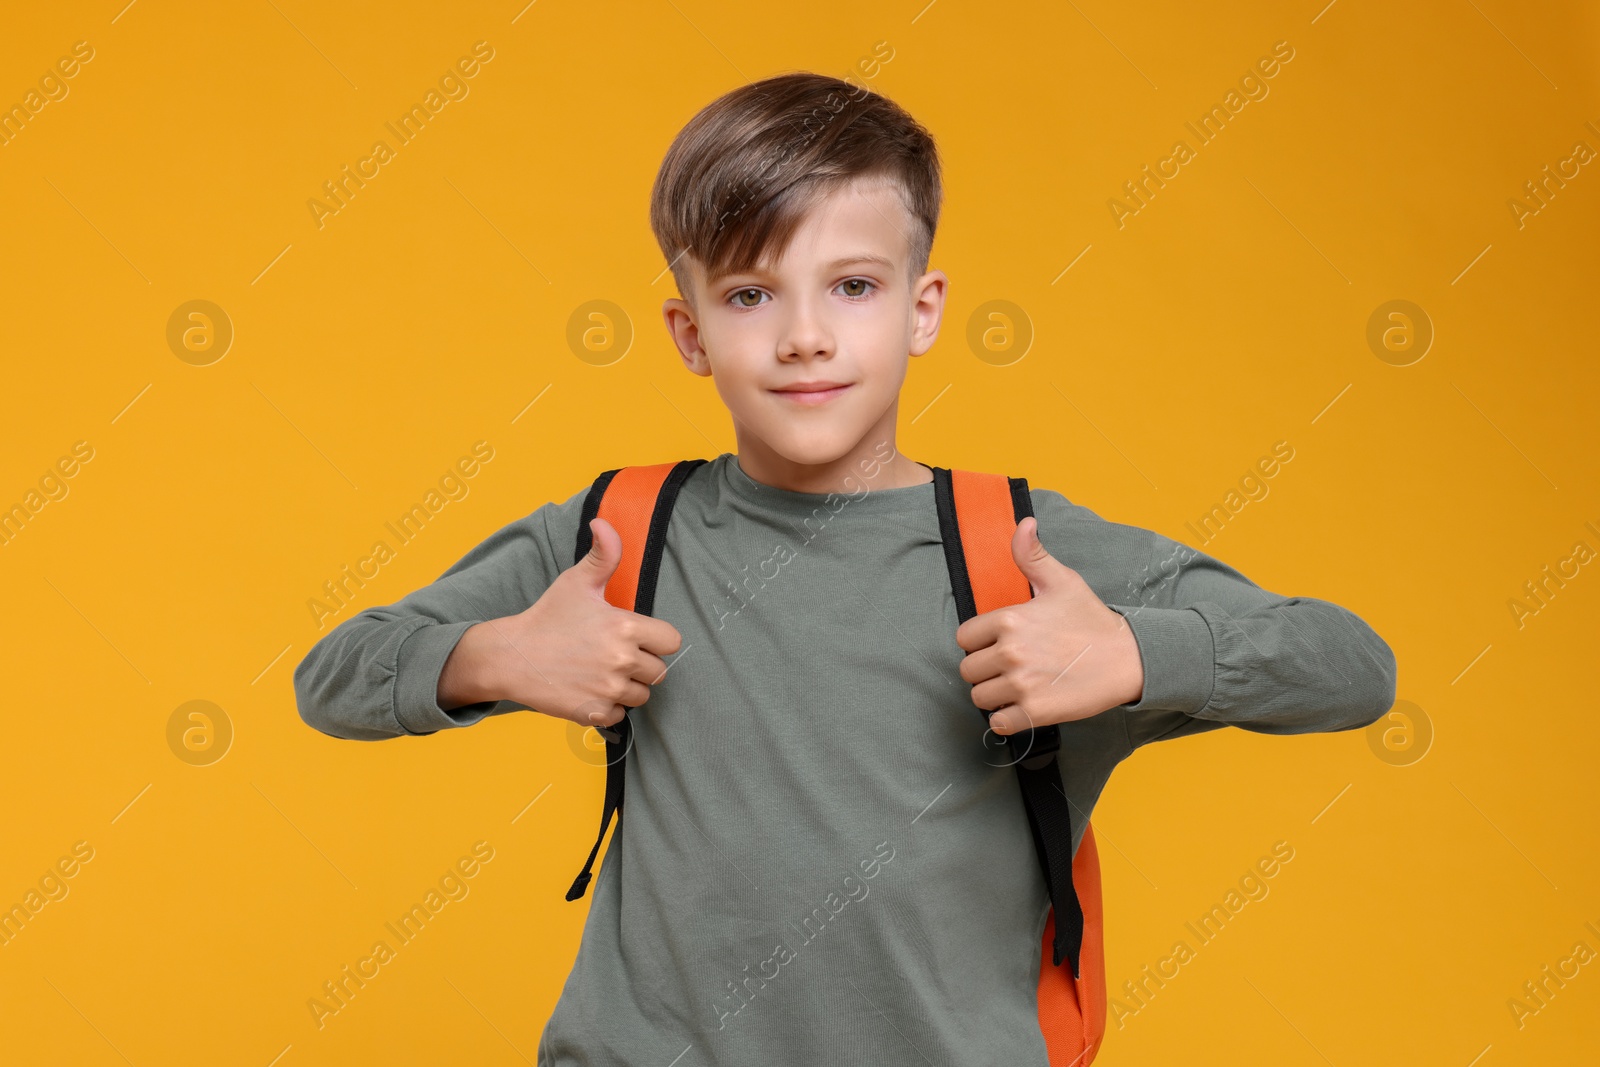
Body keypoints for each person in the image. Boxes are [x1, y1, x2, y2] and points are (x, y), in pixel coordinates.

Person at [293, 70, 1398, 1066]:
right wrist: (494, 655)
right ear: (689, 333)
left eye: (853, 286)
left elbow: (1351, 665)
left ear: (923, 310)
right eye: (749, 295)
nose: (804, 337)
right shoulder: (618, 533)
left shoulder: (1018, 551)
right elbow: (334, 675)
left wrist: (1133, 652)